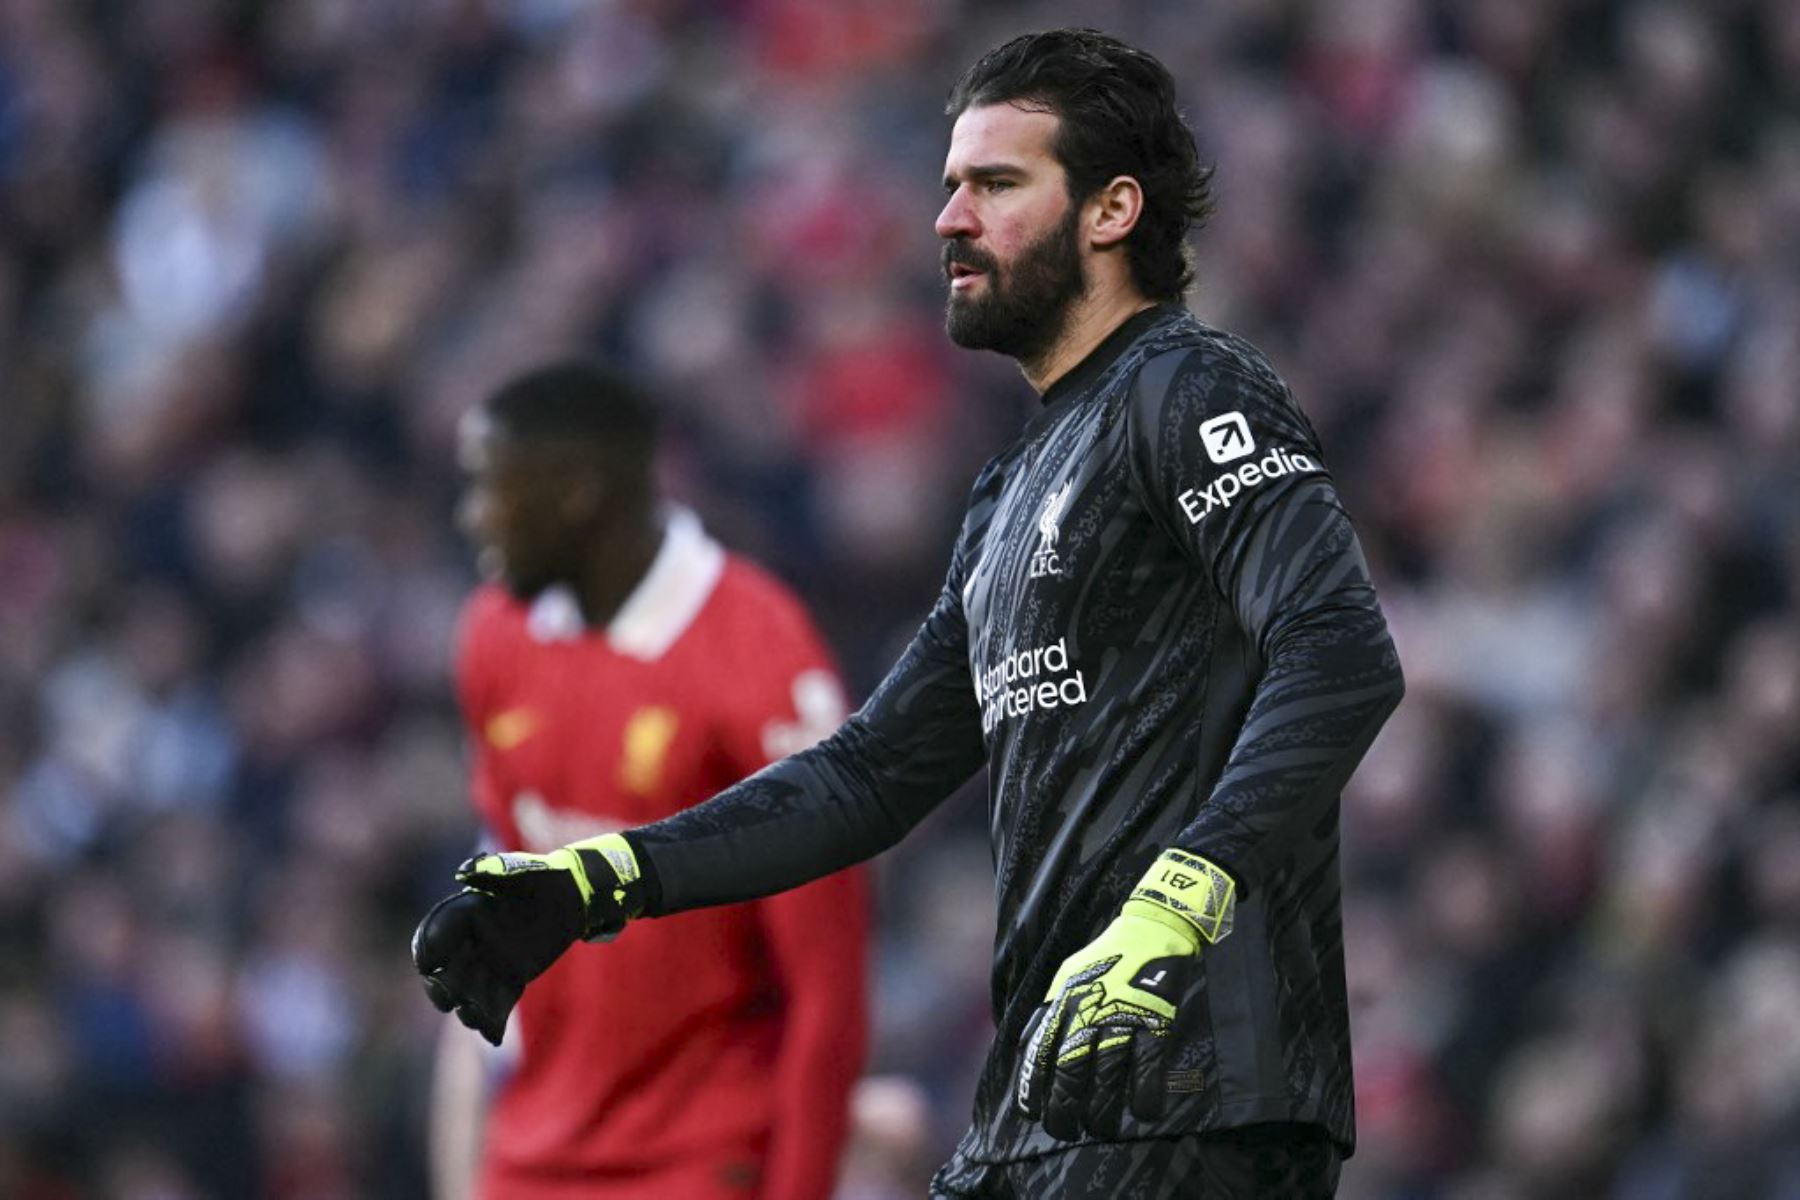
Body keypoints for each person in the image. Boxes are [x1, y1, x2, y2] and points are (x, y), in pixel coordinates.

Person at [414, 29, 1404, 1199]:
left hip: (1199, 1097)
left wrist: (1184, 896)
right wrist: (601, 881)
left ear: (1111, 210)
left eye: (995, 185)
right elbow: (869, 775)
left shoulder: (1190, 391)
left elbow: (1341, 651)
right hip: (1043, 1115)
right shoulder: (1007, 494)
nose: (949, 220)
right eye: (949, 186)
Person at [427, 361, 869, 1200]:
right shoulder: (495, 637)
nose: (473, 517)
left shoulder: (763, 666)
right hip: (532, 1155)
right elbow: (497, 918)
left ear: (578, 495)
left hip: (698, 1157)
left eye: (493, 490)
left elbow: (827, 989)